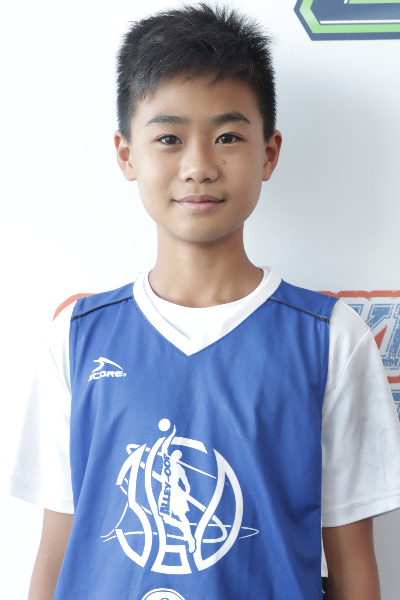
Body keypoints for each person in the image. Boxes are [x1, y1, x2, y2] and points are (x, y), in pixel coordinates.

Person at [5, 4, 400, 600]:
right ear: (126, 153)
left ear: (268, 153)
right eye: (169, 138)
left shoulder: (330, 340)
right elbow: (57, 553)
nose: (199, 166)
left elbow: (353, 565)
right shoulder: (76, 338)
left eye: (228, 137)